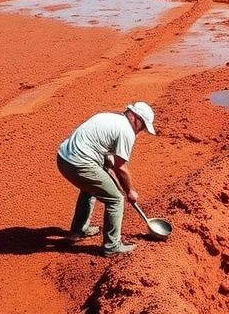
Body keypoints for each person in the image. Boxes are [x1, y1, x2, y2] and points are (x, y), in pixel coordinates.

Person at [56, 102, 155, 256]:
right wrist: (129, 191)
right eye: (143, 127)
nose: (141, 131)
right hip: (80, 164)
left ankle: (78, 231)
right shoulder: (126, 131)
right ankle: (112, 246)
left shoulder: (108, 117)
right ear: (136, 118)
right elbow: (120, 167)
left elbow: (107, 156)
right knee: (116, 199)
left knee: (89, 189)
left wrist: (106, 160)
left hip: (64, 159)